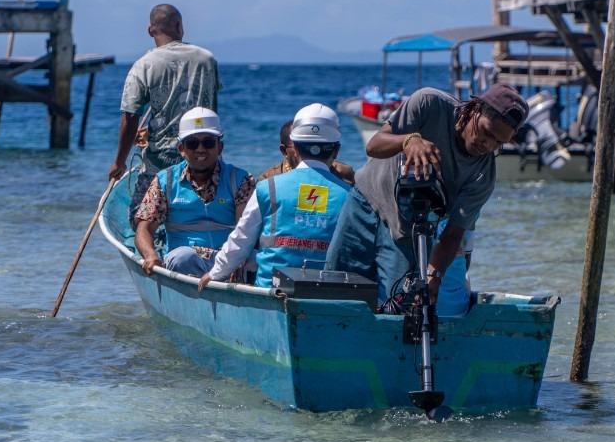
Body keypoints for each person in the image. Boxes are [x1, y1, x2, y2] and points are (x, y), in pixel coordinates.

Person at [325, 83, 528, 304]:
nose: (488, 145)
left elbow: (453, 233)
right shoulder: (429, 103)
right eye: (487, 132)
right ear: (477, 109)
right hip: (364, 204)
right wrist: (408, 140)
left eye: (499, 142)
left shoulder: (483, 176)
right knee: (336, 290)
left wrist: (434, 275)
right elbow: (373, 146)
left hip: (407, 234)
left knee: (399, 309)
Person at [198, 104, 351, 290]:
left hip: (271, 291)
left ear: (294, 148)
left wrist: (215, 273)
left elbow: (241, 239)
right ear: (336, 150)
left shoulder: (268, 187)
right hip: (326, 291)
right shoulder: (350, 196)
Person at [108, 3, 221, 222]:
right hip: (206, 156)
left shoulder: (144, 65)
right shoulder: (207, 59)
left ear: (150, 31)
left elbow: (131, 117)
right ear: (180, 26)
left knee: (138, 220)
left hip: (160, 162)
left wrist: (119, 162)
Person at [134, 107, 254, 277]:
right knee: (183, 257)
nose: (200, 149)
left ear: (220, 147)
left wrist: (231, 263)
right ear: (181, 149)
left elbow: (246, 230)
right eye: (192, 143)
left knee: (255, 260)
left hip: (228, 259)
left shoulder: (241, 180)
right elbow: (144, 229)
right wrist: (150, 255)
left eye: (208, 143)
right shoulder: (165, 181)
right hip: (185, 263)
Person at [258, 120, 356, 185]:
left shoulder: (343, 173)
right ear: (284, 151)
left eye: (312, 144)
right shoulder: (269, 179)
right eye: (299, 147)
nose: (309, 151)